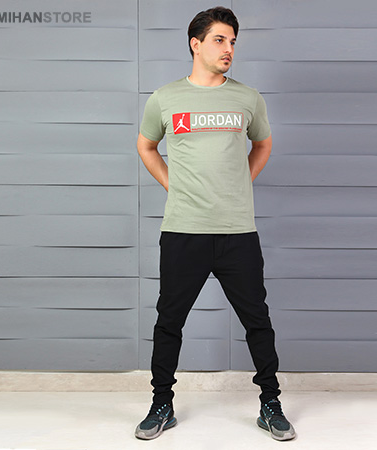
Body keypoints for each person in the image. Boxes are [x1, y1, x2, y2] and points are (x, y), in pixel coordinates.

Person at [134, 6, 296, 442]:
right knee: (169, 321)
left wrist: (240, 182)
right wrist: (174, 185)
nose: (229, 49)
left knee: (257, 320)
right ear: (196, 44)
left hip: (237, 232)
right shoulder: (164, 98)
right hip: (183, 231)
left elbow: (262, 145)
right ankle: (161, 404)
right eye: (220, 40)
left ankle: (270, 404)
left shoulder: (247, 98)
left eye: (233, 42)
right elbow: (146, 146)